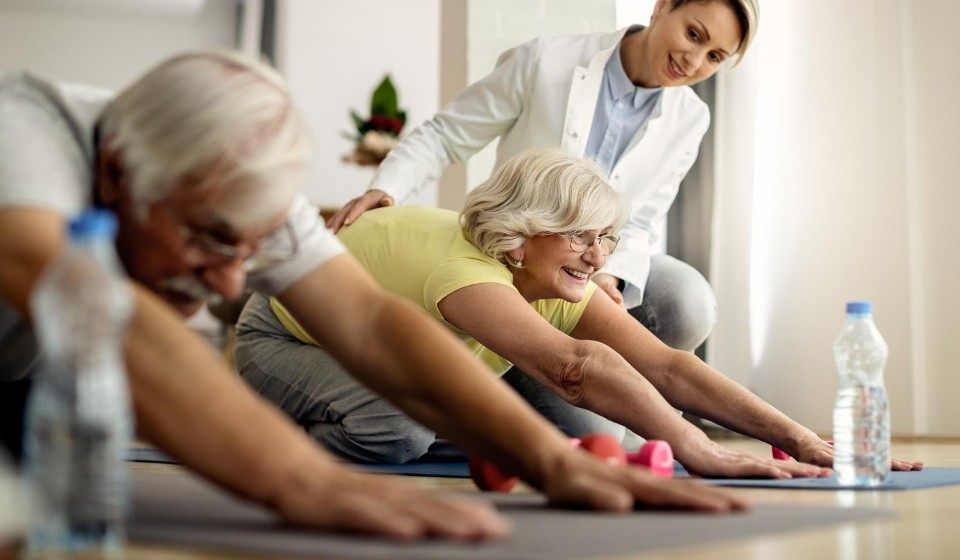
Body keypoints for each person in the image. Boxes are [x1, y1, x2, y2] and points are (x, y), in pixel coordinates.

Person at [0, 51, 749, 541]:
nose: (230, 282)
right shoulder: (23, 141)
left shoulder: (245, 186)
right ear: (118, 172)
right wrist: (300, 479)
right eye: (209, 241)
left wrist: (548, 460)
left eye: (247, 251)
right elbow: (101, 319)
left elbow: (369, 322)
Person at [239, 149, 922, 476]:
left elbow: (667, 367)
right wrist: (700, 450)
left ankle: (444, 418)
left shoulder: (549, 271)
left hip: (407, 344)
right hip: (284, 335)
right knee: (397, 430)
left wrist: (802, 435)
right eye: (579, 236)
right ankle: (274, 432)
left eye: (607, 238)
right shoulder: (469, 272)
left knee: (616, 440)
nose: (598, 258)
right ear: (523, 230)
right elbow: (572, 368)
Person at [327, 0, 757, 430]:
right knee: (599, 437)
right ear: (662, 6)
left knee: (685, 299)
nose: (694, 61)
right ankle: (509, 379)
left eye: (715, 56)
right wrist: (385, 189)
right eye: (694, 34)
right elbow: (446, 134)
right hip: (520, 265)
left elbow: (642, 218)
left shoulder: (690, 119)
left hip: (593, 267)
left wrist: (608, 276)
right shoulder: (545, 61)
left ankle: (628, 398)